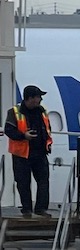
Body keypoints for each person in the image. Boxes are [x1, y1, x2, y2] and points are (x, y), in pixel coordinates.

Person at [5, 85, 52, 217]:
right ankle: (26, 209)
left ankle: (41, 208)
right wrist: (23, 136)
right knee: (23, 183)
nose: (40, 99)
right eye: (38, 97)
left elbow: (47, 128)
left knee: (43, 181)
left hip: (40, 152)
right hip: (22, 154)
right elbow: (9, 130)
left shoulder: (42, 111)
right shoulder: (14, 112)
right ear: (30, 98)